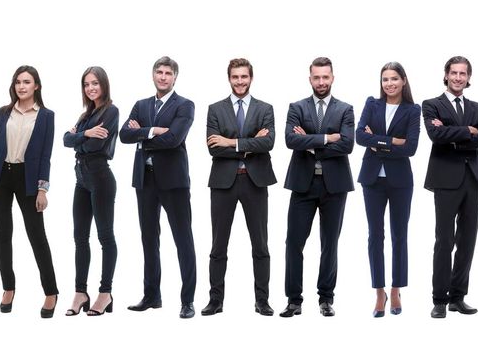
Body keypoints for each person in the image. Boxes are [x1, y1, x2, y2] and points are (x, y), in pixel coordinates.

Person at [119, 56, 197, 319]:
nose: (163, 77)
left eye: (168, 73)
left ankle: (187, 301)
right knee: (148, 239)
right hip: (145, 180)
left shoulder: (185, 105)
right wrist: (152, 131)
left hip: (174, 182)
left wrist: (141, 134)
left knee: (183, 240)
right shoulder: (140, 105)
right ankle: (152, 296)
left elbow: (175, 139)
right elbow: (123, 135)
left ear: (175, 77)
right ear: (153, 75)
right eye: (159, 72)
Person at [0, 65, 58, 318]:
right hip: (0, 176)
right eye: (18, 82)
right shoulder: (3, 112)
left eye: (27, 81)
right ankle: (8, 288)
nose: (21, 86)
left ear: (36, 86)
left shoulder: (46, 116)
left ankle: (51, 291)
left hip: (28, 179)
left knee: (37, 235)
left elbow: (45, 156)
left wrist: (42, 190)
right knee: (3, 234)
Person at [201, 58, 276, 317]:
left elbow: (268, 144)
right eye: (235, 77)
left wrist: (230, 142)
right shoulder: (214, 109)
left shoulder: (265, 108)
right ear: (229, 78)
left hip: (255, 182)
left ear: (251, 78)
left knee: (260, 245)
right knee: (218, 245)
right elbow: (213, 147)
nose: (240, 81)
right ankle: (215, 300)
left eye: (244, 76)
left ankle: (262, 300)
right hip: (223, 183)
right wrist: (248, 143)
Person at [281, 57, 355, 318]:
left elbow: (347, 144)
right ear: (310, 78)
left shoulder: (345, 109)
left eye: (326, 77)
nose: (321, 82)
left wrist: (309, 142)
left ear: (332, 78)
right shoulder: (297, 107)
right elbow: (291, 140)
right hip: (303, 184)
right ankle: (294, 300)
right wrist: (326, 138)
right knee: (293, 243)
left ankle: (326, 298)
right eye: (316, 77)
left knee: (330, 243)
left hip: (335, 186)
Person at [424, 56, 478, 318]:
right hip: (445, 180)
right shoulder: (431, 104)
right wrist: (469, 131)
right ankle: (439, 299)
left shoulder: (477, 107)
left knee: (467, 240)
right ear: (446, 75)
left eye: (463, 74)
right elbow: (435, 135)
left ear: (468, 78)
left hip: (473, 179)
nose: (458, 78)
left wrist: (455, 133)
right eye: (454, 73)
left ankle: (458, 297)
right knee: (444, 240)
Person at [355, 62, 421, 317]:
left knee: (399, 236)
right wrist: (392, 141)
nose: (389, 83)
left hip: (400, 181)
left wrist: (377, 142)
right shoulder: (372, 104)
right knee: (375, 236)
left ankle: (396, 290)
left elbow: (411, 148)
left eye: (394, 78)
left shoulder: (413, 110)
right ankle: (379, 291)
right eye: (385, 79)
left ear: (404, 80)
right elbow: (360, 136)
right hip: (372, 179)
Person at [62, 66, 120, 316]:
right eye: (86, 84)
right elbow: (66, 139)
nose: (91, 88)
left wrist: (80, 141)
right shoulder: (86, 115)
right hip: (81, 179)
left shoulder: (111, 111)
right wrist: (84, 133)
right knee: (79, 237)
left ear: (104, 85)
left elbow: (97, 145)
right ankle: (80, 292)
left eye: (95, 83)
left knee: (105, 237)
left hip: (101, 178)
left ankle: (105, 293)